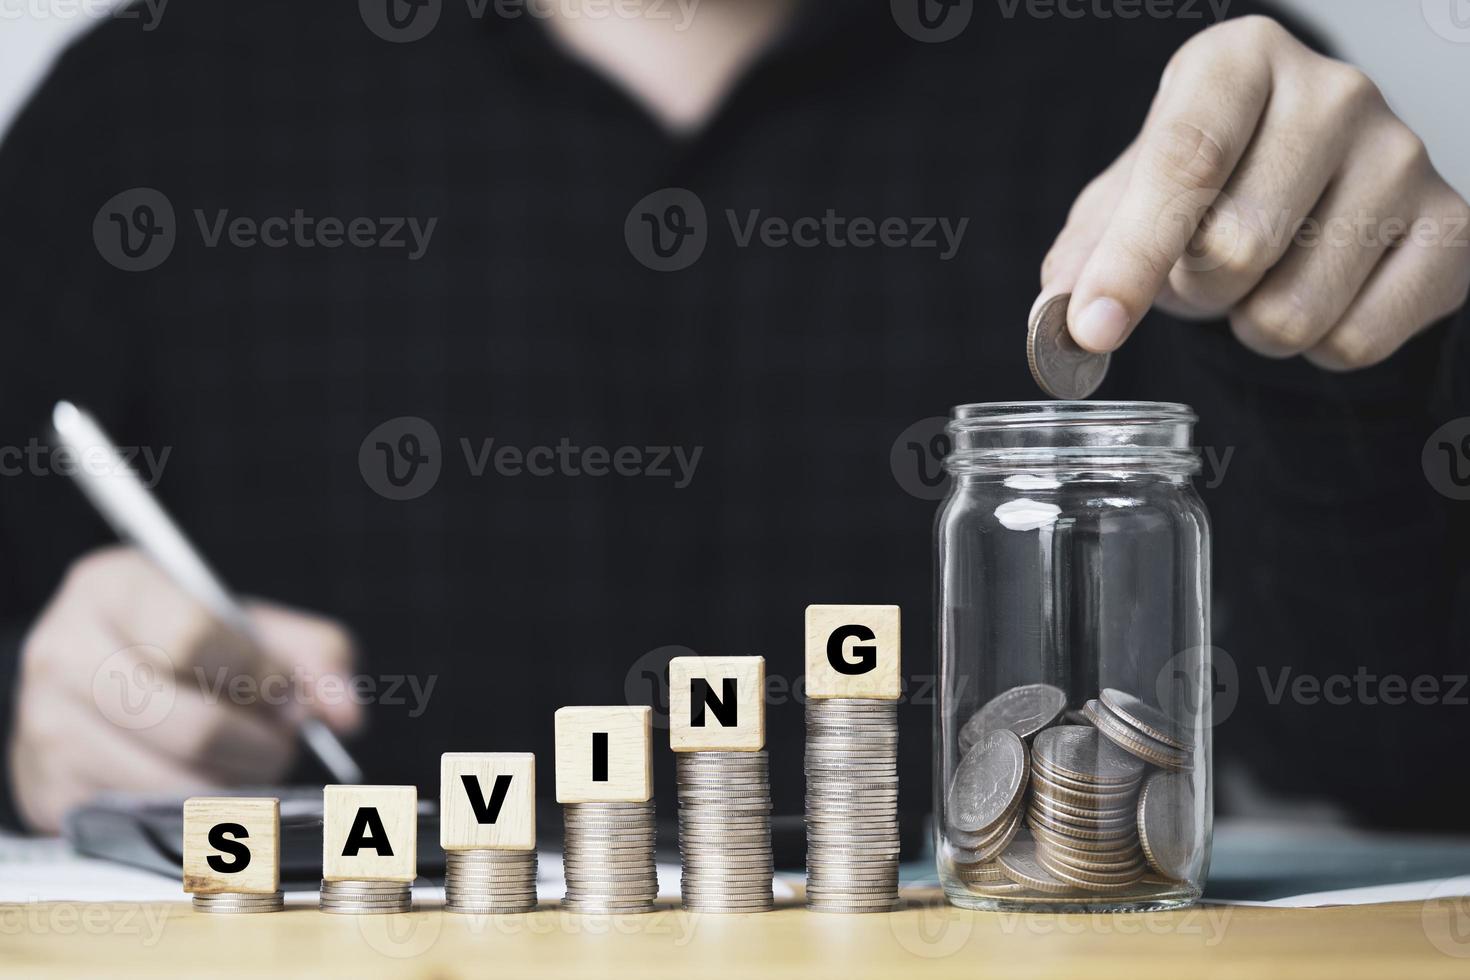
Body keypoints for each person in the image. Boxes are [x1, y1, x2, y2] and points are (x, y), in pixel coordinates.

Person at [0, 0, 1465, 836]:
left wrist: (1353, 368)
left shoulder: (1170, 84)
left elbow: (1421, 753)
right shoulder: (149, 109)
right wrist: (36, 716)